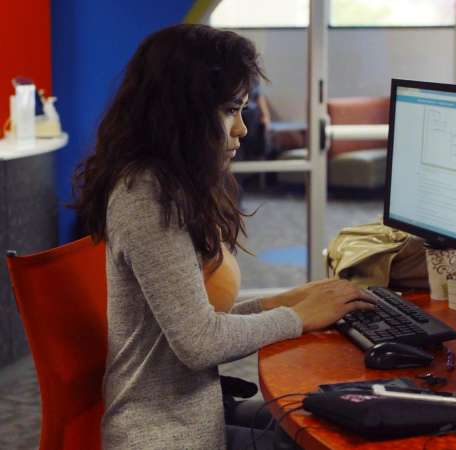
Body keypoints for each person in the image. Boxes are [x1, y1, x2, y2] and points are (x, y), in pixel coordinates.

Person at [71, 24, 375, 449]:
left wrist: (283, 302)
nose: (242, 131)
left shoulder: (168, 183)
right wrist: (299, 317)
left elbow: (195, 321)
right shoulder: (146, 194)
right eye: (231, 111)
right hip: (165, 434)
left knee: (323, 417)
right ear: (184, 111)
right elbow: (199, 342)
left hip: (195, 412)